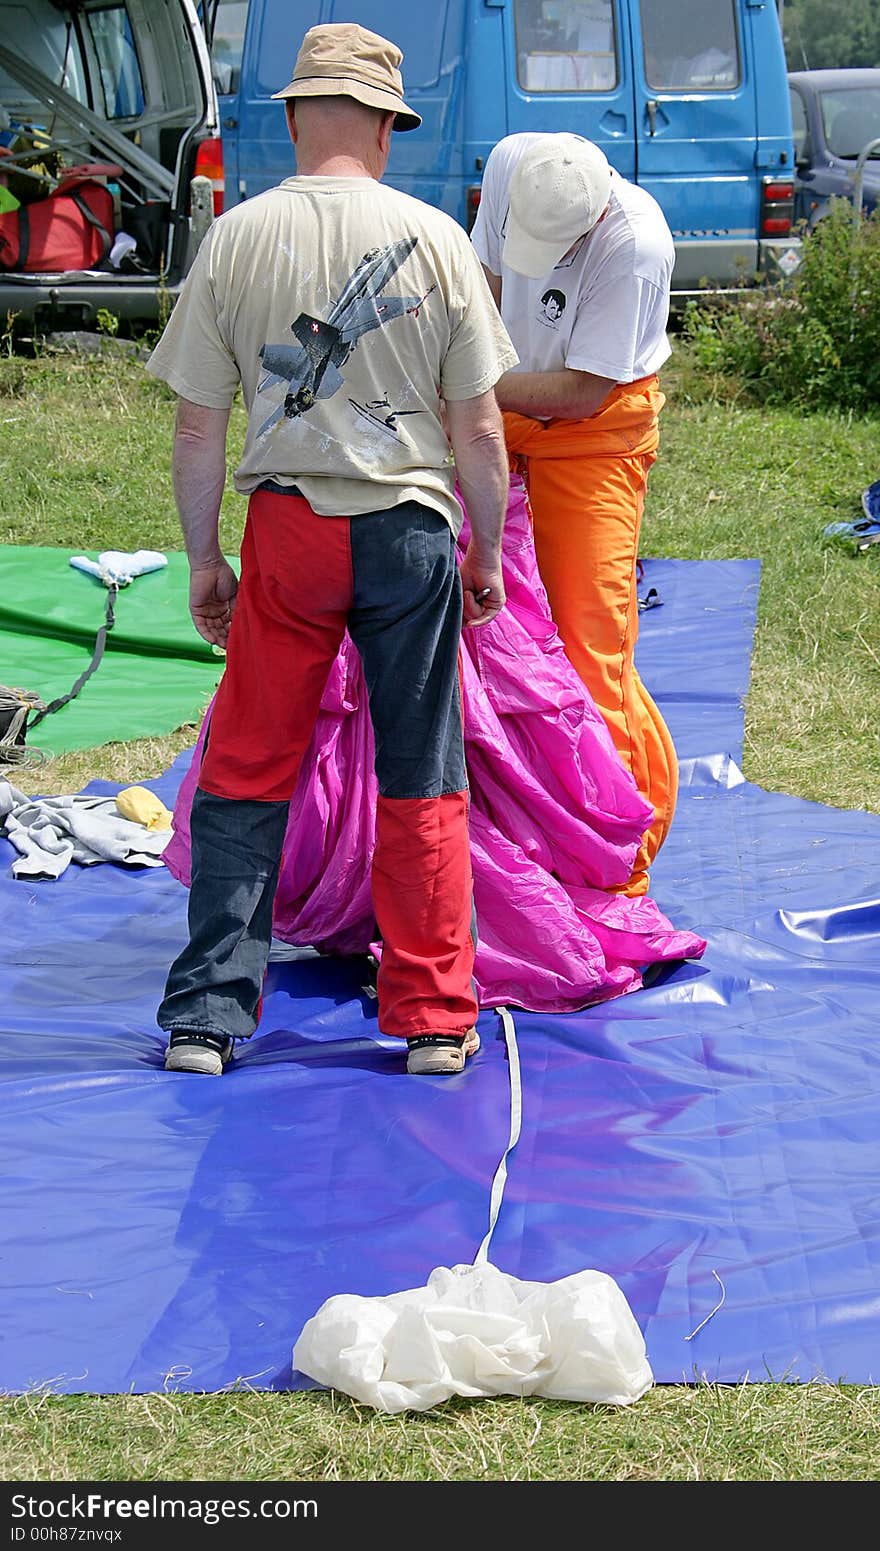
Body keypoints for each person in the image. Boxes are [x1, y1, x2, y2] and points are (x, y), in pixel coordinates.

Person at [145, 21, 517, 1078]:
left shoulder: (236, 235)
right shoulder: (438, 237)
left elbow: (194, 427)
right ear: (387, 129)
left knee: (247, 771)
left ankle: (207, 1018)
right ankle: (435, 1017)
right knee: (422, 774)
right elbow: (480, 429)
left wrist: (206, 562)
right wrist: (483, 552)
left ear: (301, 115)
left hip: (288, 530)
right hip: (408, 533)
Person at [470, 131, 678, 897]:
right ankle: (520, 832)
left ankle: (623, 866)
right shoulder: (513, 164)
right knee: (489, 629)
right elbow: (482, 291)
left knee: (590, 644)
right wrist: (462, 391)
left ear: (590, 225)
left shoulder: (635, 245)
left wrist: (471, 392)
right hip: (499, 403)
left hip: (594, 432)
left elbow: (584, 392)